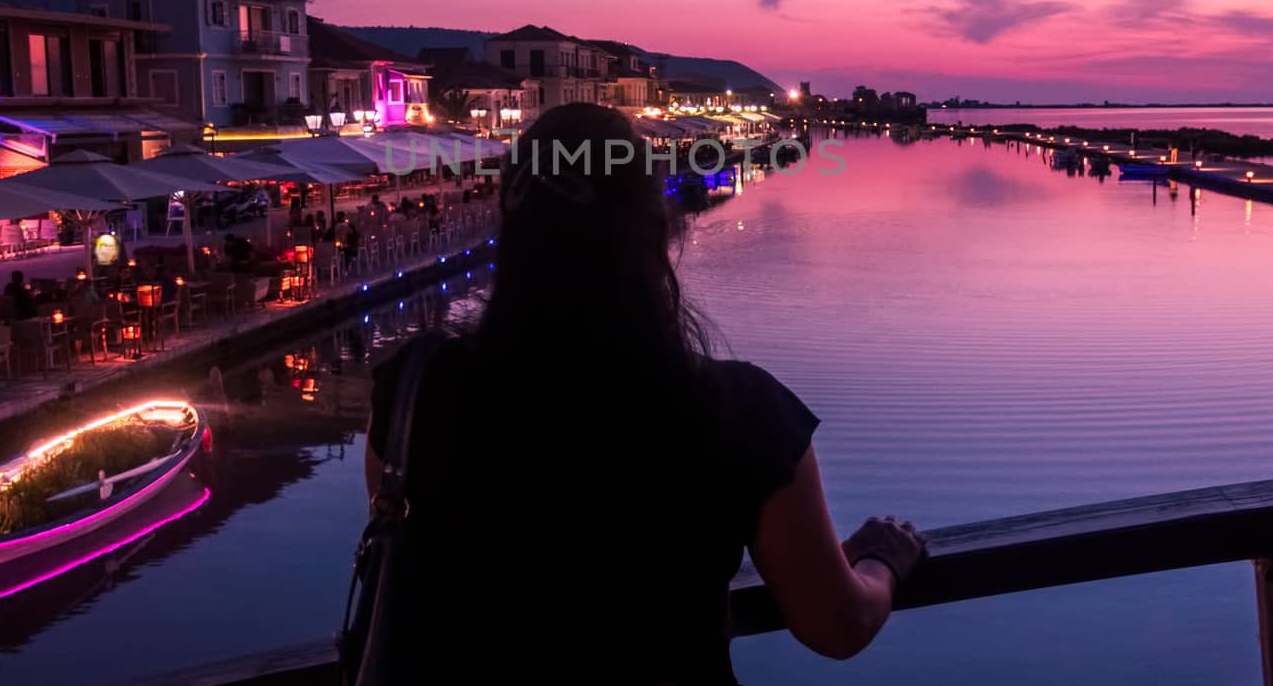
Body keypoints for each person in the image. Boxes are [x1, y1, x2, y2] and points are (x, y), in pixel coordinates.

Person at [364, 105, 925, 683]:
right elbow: (837, 626)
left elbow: (435, 561)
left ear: (512, 233)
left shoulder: (414, 389)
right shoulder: (742, 412)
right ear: (655, 230)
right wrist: (883, 560)